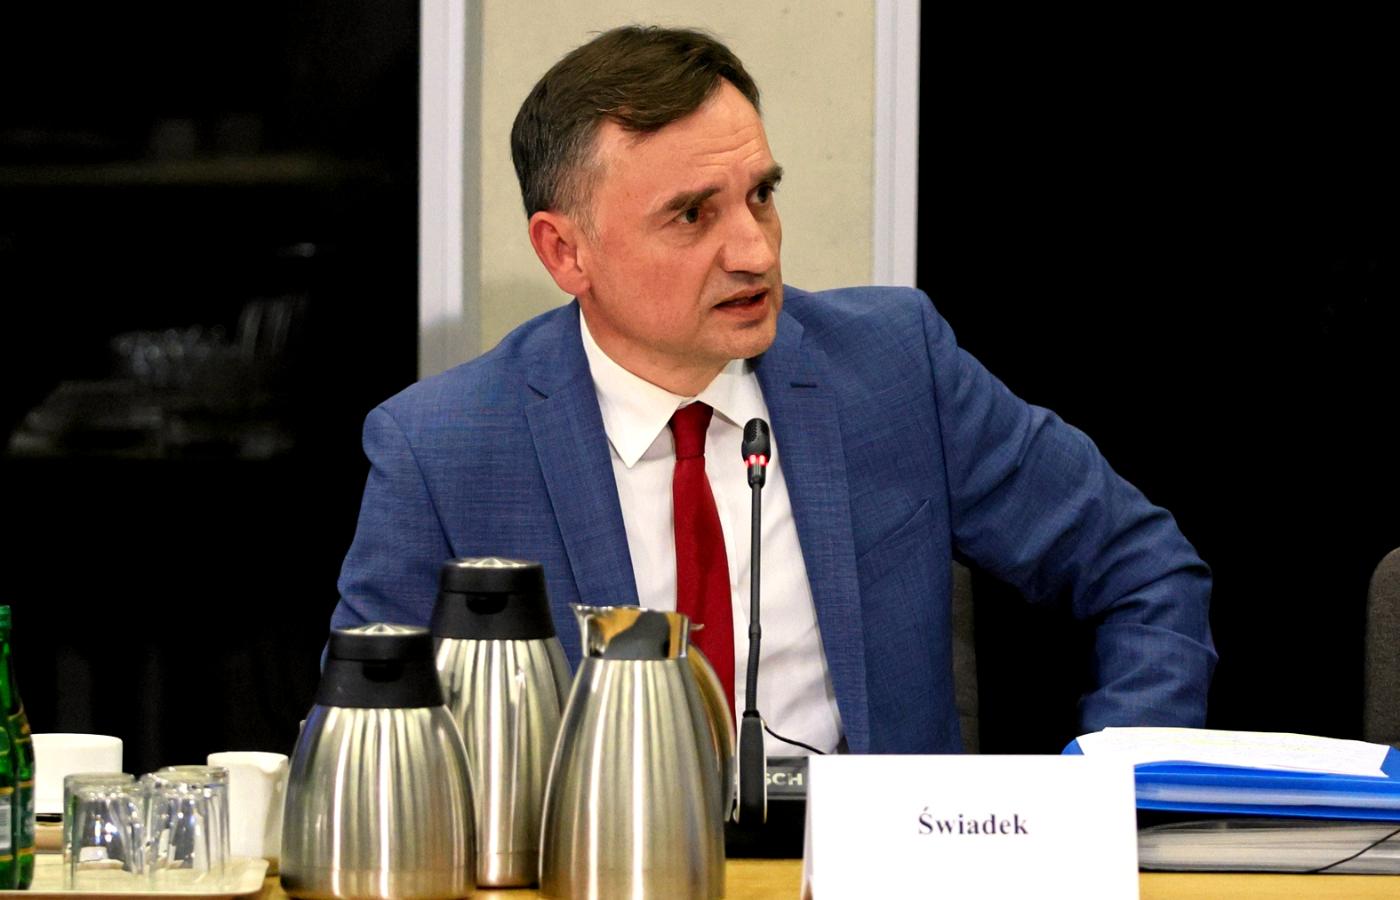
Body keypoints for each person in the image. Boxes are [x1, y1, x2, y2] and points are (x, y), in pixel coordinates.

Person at [331, 25, 1215, 754]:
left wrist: (1108, 794)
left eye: (760, 195)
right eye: (692, 214)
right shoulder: (443, 448)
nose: (754, 250)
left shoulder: (894, 370)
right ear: (566, 252)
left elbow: (1140, 567)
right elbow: (360, 742)